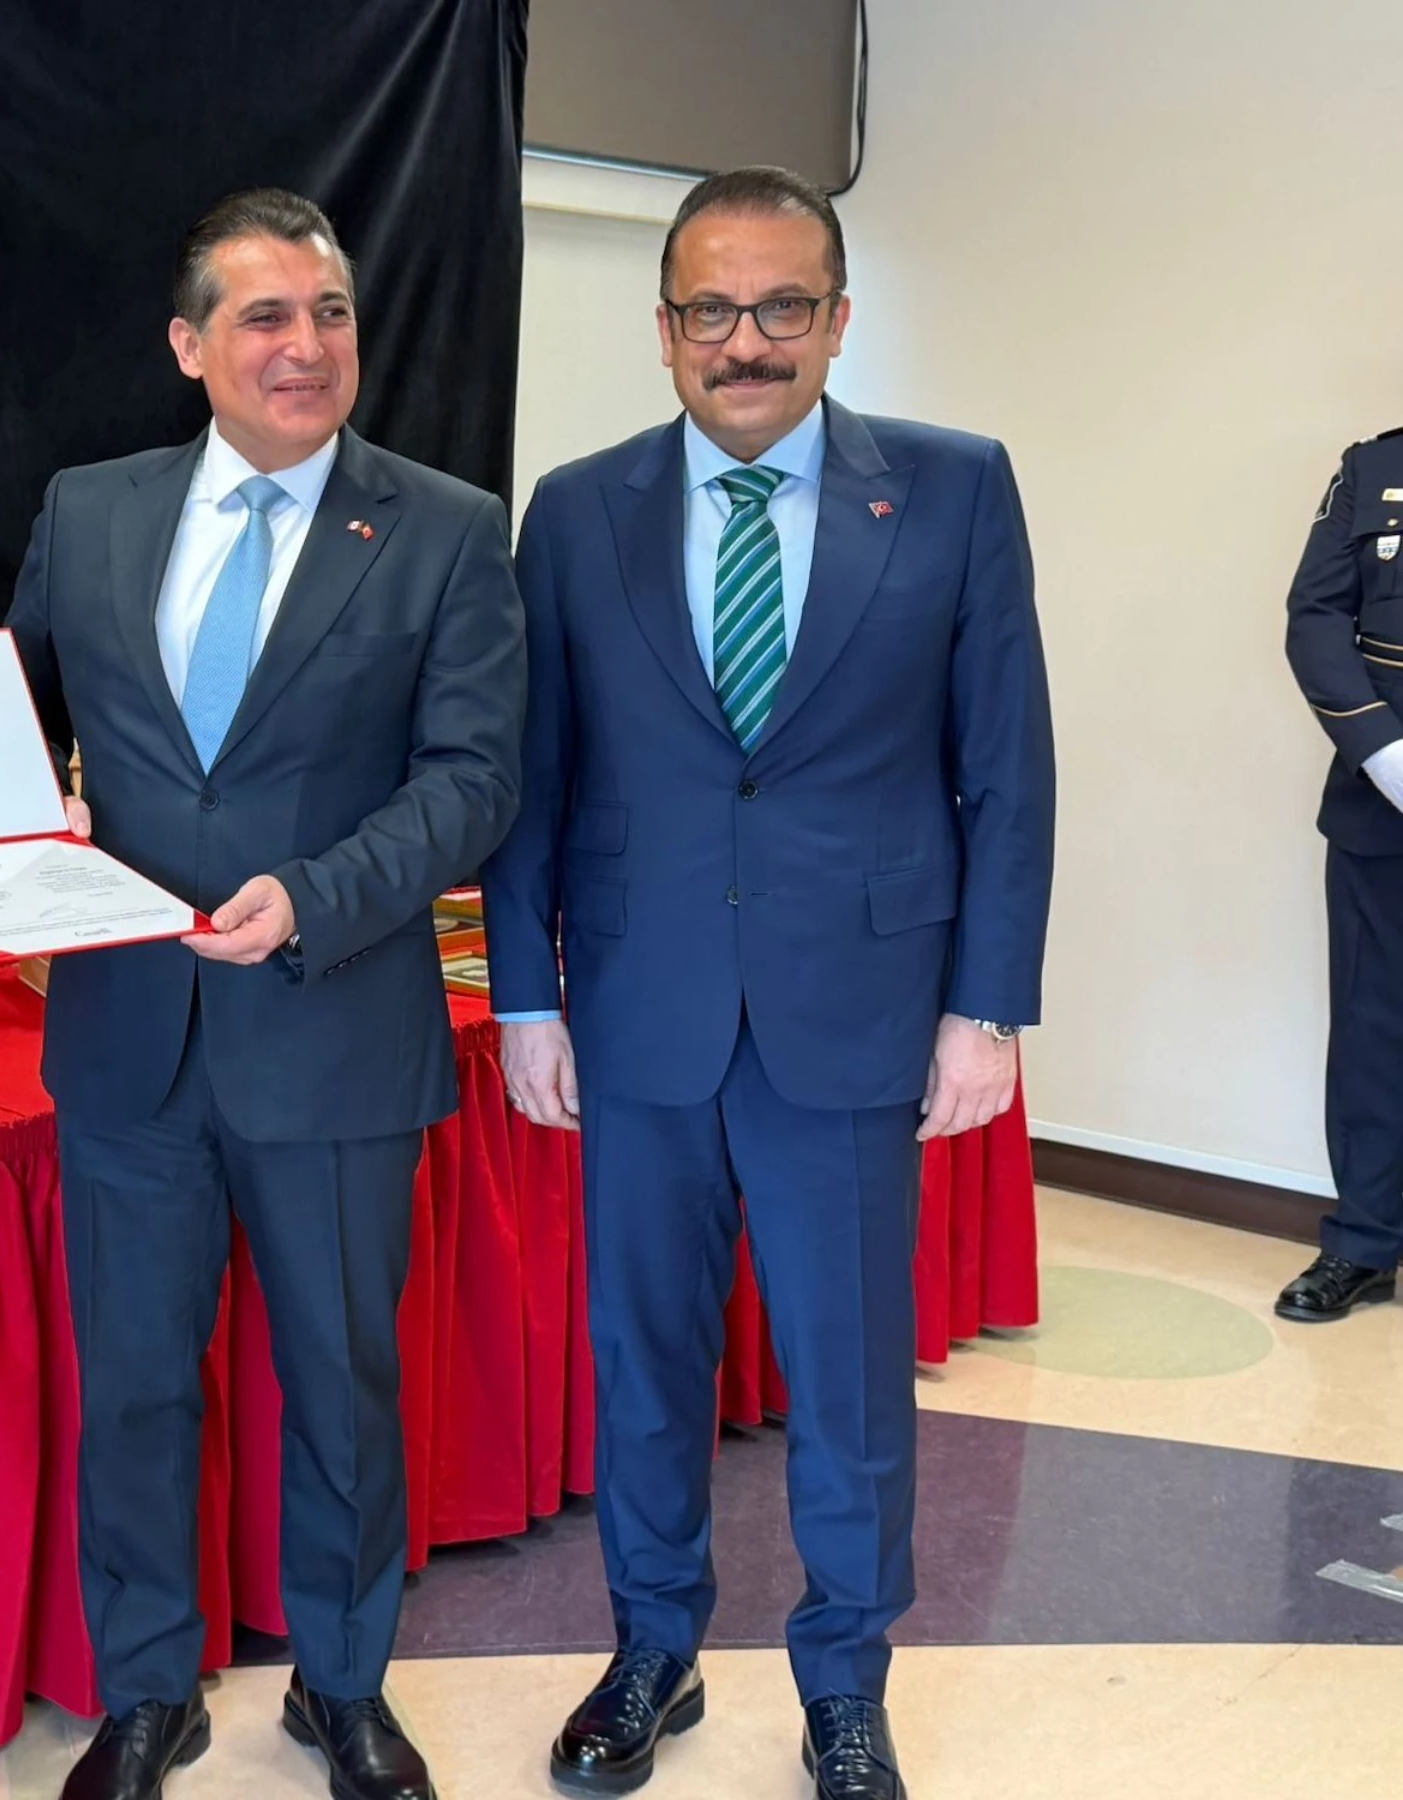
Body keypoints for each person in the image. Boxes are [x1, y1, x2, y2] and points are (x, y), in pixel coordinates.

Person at [482, 166, 1054, 1800]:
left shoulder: (952, 490)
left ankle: (846, 1684)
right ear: (665, 327)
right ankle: (651, 1650)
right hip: (639, 1013)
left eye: (783, 306)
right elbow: (536, 777)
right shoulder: (575, 511)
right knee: (645, 1363)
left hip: (856, 1016)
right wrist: (527, 998)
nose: (748, 341)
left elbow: (1007, 770)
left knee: (851, 1380)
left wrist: (985, 1009)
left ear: (838, 318)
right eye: (712, 310)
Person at [6, 187, 524, 1800]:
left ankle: (343, 1686)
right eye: (266, 316)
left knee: (344, 1395)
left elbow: (474, 781)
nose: (307, 346)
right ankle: (146, 1692)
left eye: (331, 314)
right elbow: (16, 731)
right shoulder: (89, 511)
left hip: (336, 1030)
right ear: (190, 346)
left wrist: (319, 895)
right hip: (129, 1045)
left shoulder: (444, 527)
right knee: (136, 1388)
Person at [1280, 422, 1403, 1322]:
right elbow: (1316, 616)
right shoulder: (1375, 467)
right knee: (1373, 1032)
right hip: (1383, 803)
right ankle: (1364, 1241)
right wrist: (1387, 758)